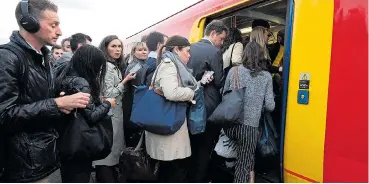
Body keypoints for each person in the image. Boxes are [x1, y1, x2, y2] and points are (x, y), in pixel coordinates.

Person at [0, 0, 90, 182]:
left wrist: (61, 102)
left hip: (43, 158)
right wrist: (55, 104)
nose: (60, 31)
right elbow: (4, 115)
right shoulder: (7, 57)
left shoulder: (43, 57)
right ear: (29, 22)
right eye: (53, 24)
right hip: (23, 168)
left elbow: (35, 102)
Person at [55, 45, 116, 183]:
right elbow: (92, 116)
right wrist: (108, 103)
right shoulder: (81, 82)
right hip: (80, 144)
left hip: (66, 141)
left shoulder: (64, 75)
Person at [145, 35, 197, 182]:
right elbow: (171, 92)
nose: (189, 54)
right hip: (169, 123)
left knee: (168, 167)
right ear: (176, 50)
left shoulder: (168, 63)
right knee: (171, 168)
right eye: (187, 51)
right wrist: (191, 92)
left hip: (166, 121)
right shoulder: (169, 64)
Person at [223, 41, 275, 183]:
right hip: (249, 129)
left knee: (243, 151)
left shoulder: (233, 71)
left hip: (229, 125)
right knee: (244, 163)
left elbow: (224, 96)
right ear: (261, 56)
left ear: (244, 54)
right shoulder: (266, 77)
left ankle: (229, 164)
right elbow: (270, 106)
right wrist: (259, 105)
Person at [187, 19, 228, 182]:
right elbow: (219, 81)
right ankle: (200, 179)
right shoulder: (214, 52)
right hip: (207, 105)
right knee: (205, 146)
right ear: (213, 33)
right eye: (222, 39)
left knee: (191, 144)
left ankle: (188, 177)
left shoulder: (189, 48)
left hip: (188, 102)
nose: (221, 43)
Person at [93, 35, 135, 183]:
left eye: (119, 47)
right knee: (107, 155)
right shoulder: (107, 66)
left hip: (113, 114)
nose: (117, 50)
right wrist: (125, 81)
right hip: (109, 115)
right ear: (105, 48)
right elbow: (107, 93)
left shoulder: (112, 65)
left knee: (111, 154)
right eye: (113, 46)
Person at [123, 42, 149, 147]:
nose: (143, 52)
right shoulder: (136, 67)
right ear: (133, 53)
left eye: (145, 49)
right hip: (135, 105)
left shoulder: (142, 64)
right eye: (140, 50)